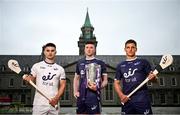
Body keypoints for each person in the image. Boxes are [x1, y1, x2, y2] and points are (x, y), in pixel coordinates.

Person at [114, 39, 157, 114]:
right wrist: (121, 95)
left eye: (132, 47)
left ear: (136, 49)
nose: (130, 49)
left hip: (142, 100)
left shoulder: (143, 62)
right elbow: (116, 83)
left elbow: (154, 80)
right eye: (128, 47)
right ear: (125, 49)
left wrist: (153, 78)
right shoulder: (120, 66)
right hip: (127, 100)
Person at [23, 43, 66, 115]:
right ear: (44, 52)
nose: (50, 52)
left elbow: (63, 85)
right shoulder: (36, 66)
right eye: (48, 50)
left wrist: (56, 99)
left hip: (54, 103)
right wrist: (27, 79)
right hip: (39, 104)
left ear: (55, 52)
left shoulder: (60, 69)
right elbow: (30, 81)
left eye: (52, 50)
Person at [73, 41, 108, 114]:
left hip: (94, 96)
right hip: (81, 95)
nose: (89, 49)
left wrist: (98, 87)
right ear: (84, 49)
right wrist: (75, 91)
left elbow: (105, 80)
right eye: (87, 47)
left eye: (91, 47)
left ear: (94, 49)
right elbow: (76, 78)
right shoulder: (79, 62)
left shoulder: (100, 63)